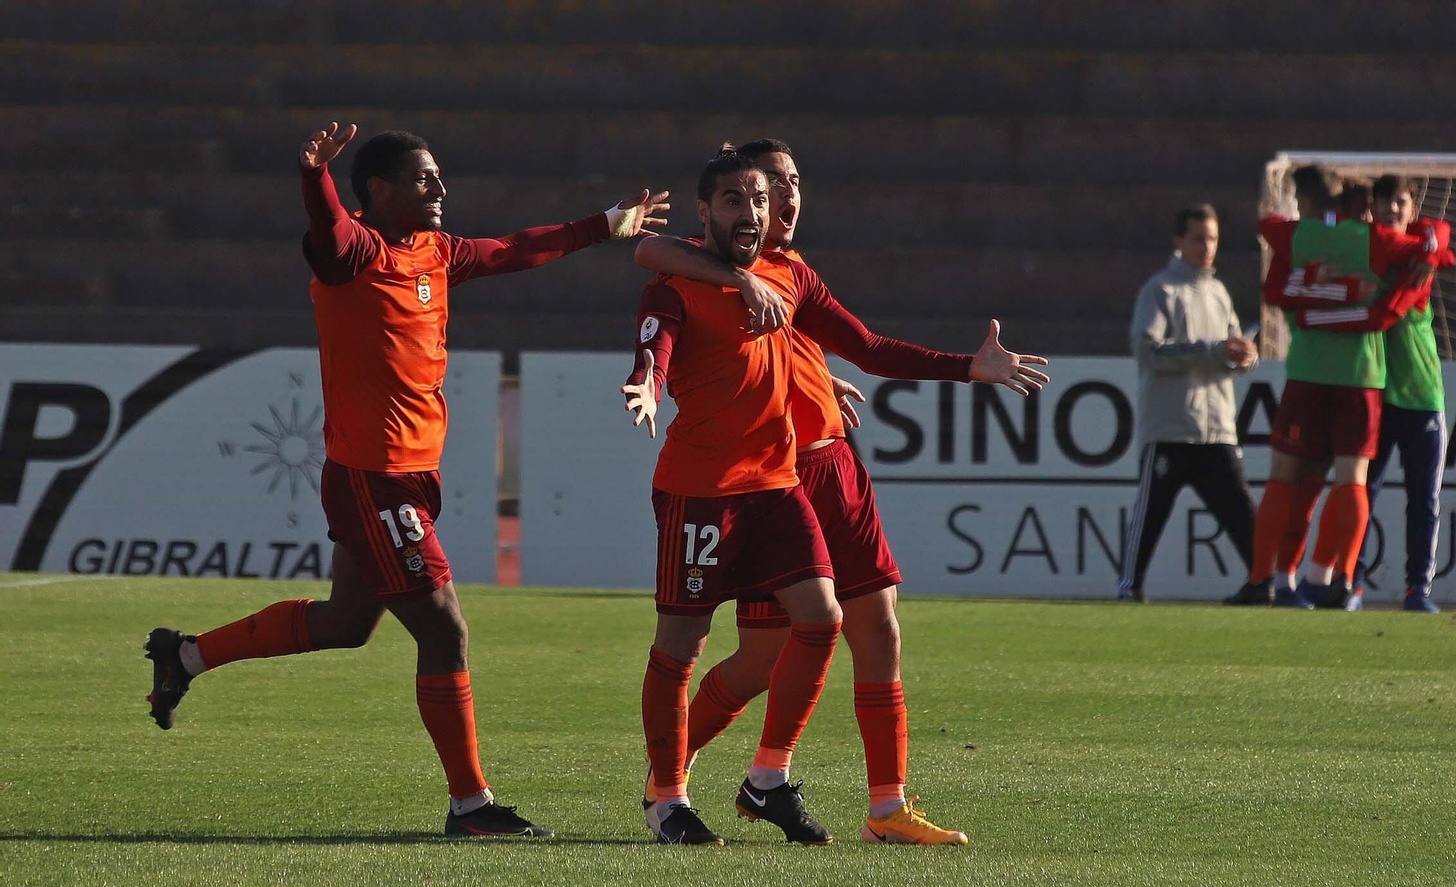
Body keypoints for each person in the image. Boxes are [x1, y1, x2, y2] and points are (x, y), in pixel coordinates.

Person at [143, 122, 668, 837]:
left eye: (440, 177)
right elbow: (327, 233)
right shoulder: (356, 251)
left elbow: (512, 249)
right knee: (445, 626)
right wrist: (313, 178)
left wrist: (605, 225)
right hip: (373, 477)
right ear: (379, 191)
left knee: (345, 623)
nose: (441, 189)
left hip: (411, 475)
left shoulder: (436, 251)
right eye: (424, 179)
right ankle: (471, 804)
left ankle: (186, 653)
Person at [621, 148, 1045, 846]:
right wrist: (648, 379)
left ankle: (808, 785)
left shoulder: (789, 275)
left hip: (794, 476)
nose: (768, 204)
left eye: (780, 190)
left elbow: (867, 346)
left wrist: (969, 367)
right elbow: (650, 273)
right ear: (708, 209)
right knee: (724, 649)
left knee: (849, 622)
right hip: (715, 486)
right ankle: (668, 786)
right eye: (746, 195)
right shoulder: (687, 273)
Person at [1241, 164, 1451, 610]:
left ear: (1304, 202)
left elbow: (1276, 288)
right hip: (1360, 378)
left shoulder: (1295, 239)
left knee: (1289, 480)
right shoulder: (1379, 244)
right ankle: (1329, 580)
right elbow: (1432, 248)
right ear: (1364, 208)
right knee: (1353, 483)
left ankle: (1269, 580)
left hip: (1306, 372)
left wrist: (1312, 305)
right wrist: (1431, 247)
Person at [1301, 175, 1454, 613]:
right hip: (1377, 397)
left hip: (1424, 396)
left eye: (1400, 203)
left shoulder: (1421, 258)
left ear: (1411, 207)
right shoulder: (1376, 251)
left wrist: (1432, 247)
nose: (1392, 211)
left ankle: (1416, 590)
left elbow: (1388, 311)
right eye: (1385, 203)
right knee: (1363, 493)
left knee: (1423, 500)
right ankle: (1353, 583)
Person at [1120, 204, 1258, 603]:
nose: (1207, 247)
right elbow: (1148, 351)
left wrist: (1245, 357)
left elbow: (1231, 352)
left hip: (1216, 429)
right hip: (1170, 428)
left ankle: (1263, 582)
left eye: (1212, 238)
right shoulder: (1160, 290)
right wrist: (1214, 351)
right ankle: (1129, 589)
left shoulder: (1218, 291)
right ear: (1178, 241)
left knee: (1243, 517)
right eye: (1198, 238)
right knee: (1150, 518)